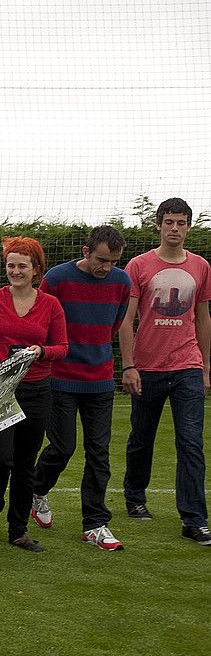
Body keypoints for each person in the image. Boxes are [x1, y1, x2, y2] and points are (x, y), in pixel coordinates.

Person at [29, 226, 130, 550]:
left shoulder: (122, 282)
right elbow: (41, 322)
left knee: (99, 452)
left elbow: (114, 325)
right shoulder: (57, 279)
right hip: (60, 379)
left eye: (114, 261)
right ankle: (37, 489)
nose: (107, 268)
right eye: (102, 260)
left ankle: (95, 524)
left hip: (100, 380)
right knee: (63, 447)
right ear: (86, 251)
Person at [119, 198, 211, 546]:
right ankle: (135, 496)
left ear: (189, 226)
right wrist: (129, 365)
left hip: (187, 365)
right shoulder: (138, 266)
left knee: (191, 443)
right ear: (158, 225)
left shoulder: (201, 266)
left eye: (182, 222)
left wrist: (205, 368)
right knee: (142, 438)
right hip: (147, 367)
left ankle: (194, 519)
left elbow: (203, 318)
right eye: (169, 221)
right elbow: (126, 319)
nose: (175, 228)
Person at [0, 236, 67, 553]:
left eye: (22, 266)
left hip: (37, 390)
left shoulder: (50, 305)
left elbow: (63, 348)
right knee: (0, 457)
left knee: (25, 462)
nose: (15, 271)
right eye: (11, 265)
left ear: (36, 269)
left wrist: (41, 351)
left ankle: (19, 530)